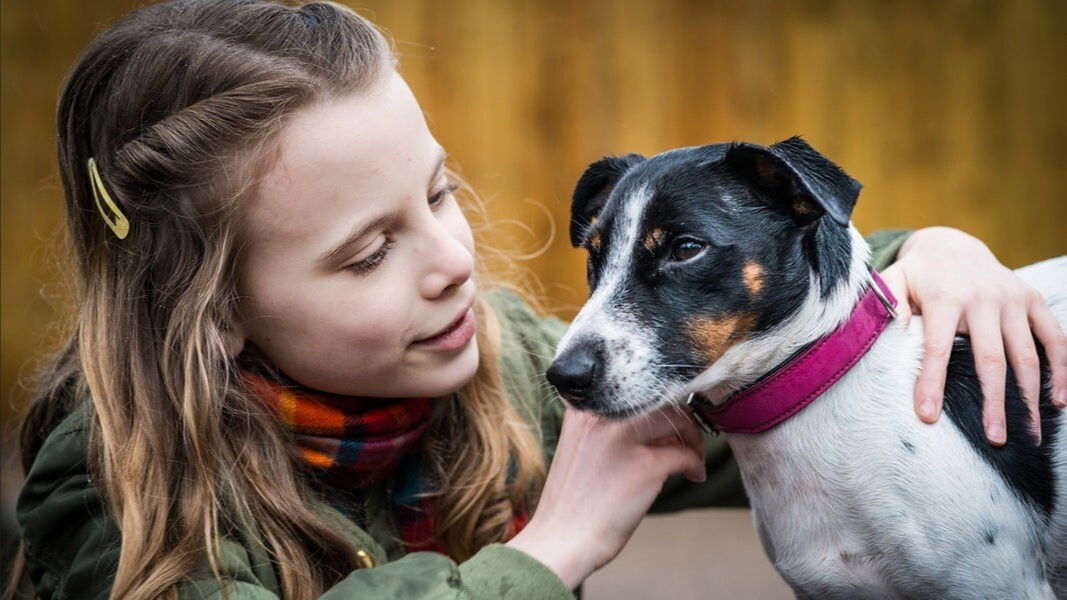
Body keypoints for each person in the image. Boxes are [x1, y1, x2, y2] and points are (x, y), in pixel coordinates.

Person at [9, 1, 1065, 598]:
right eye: (370, 250)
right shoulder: (112, 495)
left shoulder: (506, 358)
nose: (450, 261)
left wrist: (922, 252)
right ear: (213, 311)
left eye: (440, 193)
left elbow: (740, 326)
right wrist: (547, 550)